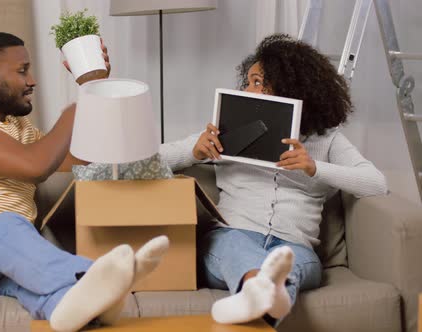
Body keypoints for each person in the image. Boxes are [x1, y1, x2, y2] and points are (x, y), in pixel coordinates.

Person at [0, 31, 170, 332]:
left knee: (53, 297)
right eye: (22, 71)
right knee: (3, 226)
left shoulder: (20, 129)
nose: (32, 80)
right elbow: (35, 167)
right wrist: (79, 105)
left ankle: (92, 307)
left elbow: (86, 156)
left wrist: (97, 88)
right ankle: (98, 275)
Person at [160, 33, 388, 326]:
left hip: (294, 247)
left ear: (290, 86)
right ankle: (271, 297)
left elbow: (376, 183)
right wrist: (193, 151)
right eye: (248, 81)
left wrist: (314, 167)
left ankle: (258, 296)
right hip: (233, 236)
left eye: (257, 82)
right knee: (227, 243)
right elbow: (147, 161)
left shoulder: (327, 140)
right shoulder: (225, 134)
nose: (248, 89)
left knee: (287, 262)